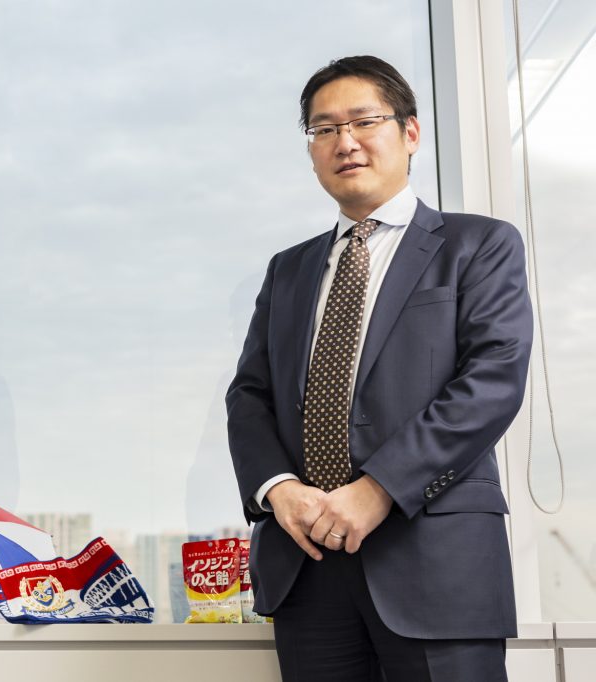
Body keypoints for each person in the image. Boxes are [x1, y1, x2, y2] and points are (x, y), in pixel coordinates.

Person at [226, 55, 532, 681]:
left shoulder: (478, 244)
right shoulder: (289, 270)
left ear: (410, 133)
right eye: (324, 129)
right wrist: (278, 489)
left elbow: (492, 379)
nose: (345, 142)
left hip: (435, 563)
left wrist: (379, 489)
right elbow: (250, 397)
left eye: (364, 121)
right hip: (307, 568)